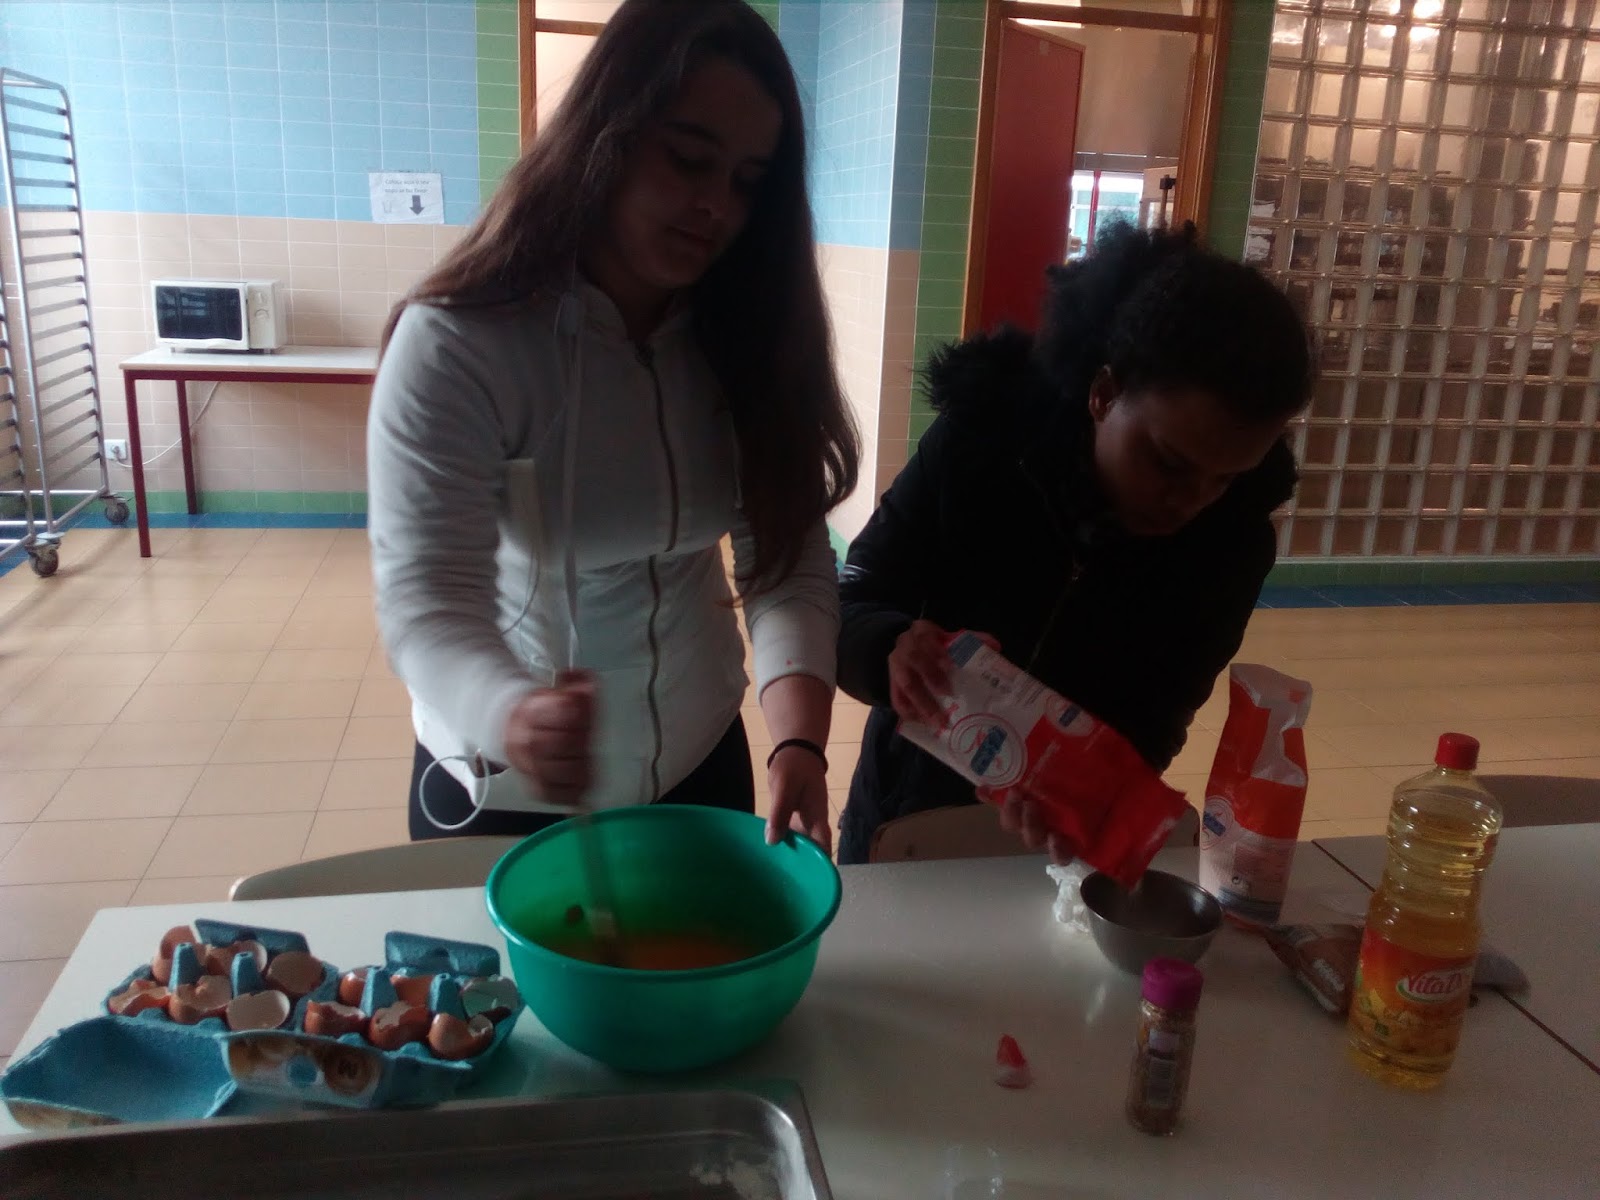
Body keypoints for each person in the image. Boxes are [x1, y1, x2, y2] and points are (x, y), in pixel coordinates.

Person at [367, 0, 858, 851]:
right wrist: (513, 715)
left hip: (699, 764)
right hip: (508, 780)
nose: (714, 205)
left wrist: (798, 740)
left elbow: (786, 558)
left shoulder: (744, 334)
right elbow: (426, 602)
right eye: (688, 159)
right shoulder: (462, 343)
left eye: (747, 181)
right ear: (607, 135)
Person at [834, 222, 1314, 865]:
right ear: (1104, 394)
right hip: (901, 812)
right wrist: (889, 648)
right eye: (1168, 462)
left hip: (1056, 842)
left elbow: (1157, 719)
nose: (1190, 500)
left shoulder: (1230, 544)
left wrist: (1090, 796)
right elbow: (852, 597)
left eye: (1226, 478)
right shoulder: (981, 445)